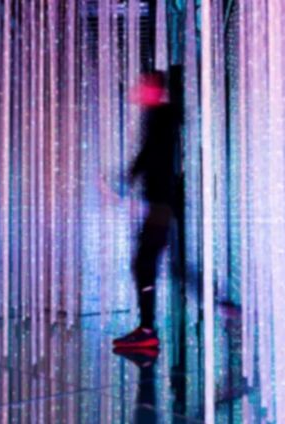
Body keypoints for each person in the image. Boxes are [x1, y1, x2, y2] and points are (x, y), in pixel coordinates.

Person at [113, 71, 182, 349]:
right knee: (160, 265)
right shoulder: (159, 117)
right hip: (161, 203)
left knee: (146, 264)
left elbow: (149, 156)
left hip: (160, 204)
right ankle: (146, 327)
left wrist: (125, 182)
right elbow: (147, 155)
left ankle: (147, 329)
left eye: (143, 86)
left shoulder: (162, 117)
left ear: (155, 89)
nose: (138, 90)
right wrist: (126, 181)